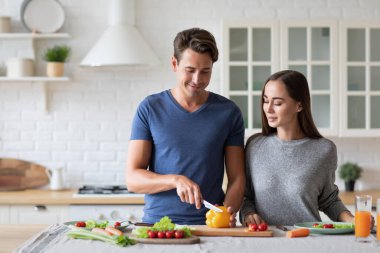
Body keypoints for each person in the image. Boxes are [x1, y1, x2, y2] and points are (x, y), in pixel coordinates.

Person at [126, 28, 245, 225]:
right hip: (158, 225)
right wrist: (175, 180)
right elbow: (133, 179)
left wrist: (227, 213)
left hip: (210, 226)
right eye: (190, 70)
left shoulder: (228, 112)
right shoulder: (150, 108)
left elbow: (237, 178)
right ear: (175, 64)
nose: (198, 80)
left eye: (205, 71)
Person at [240, 70, 356, 226]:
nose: (268, 108)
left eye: (278, 103)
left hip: (308, 239)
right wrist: (248, 213)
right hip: (265, 239)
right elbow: (245, 196)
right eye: (266, 100)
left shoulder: (324, 150)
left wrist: (353, 220)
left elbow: (329, 200)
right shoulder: (255, 145)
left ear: (299, 105)